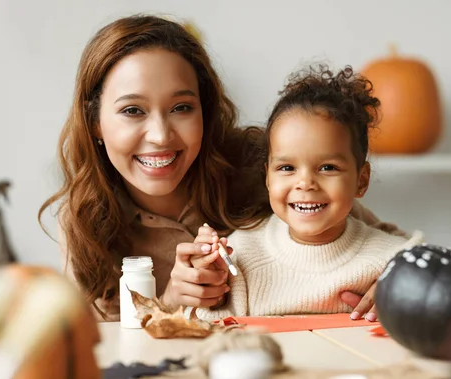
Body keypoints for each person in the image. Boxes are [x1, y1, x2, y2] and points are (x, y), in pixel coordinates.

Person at [38, 14, 407, 322]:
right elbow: (103, 352)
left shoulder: (260, 163)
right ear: (96, 123)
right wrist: (169, 301)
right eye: (133, 110)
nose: (160, 136)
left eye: (182, 108)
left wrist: (398, 279)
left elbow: (380, 241)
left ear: (206, 110)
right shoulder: (84, 219)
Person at [191, 65, 423, 320]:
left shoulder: (393, 262)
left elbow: (441, 285)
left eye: (327, 167)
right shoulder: (241, 255)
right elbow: (211, 327)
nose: (305, 183)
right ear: (267, 177)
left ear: (361, 180)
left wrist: (407, 287)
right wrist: (210, 286)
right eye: (287, 167)